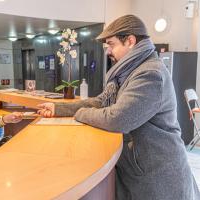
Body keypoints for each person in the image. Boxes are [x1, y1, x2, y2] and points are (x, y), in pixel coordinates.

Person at [37, 15, 199, 200]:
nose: (108, 51)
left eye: (111, 44)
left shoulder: (150, 74)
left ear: (130, 41)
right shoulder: (128, 72)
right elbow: (100, 102)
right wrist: (58, 109)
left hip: (158, 176)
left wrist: (80, 114)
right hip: (141, 170)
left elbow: (118, 119)